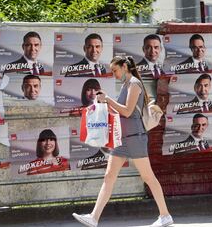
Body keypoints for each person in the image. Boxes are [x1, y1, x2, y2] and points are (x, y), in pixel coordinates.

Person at [72, 56, 173, 227]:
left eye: (115, 70)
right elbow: (118, 112)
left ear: (124, 67)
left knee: (148, 177)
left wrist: (109, 99)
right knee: (109, 176)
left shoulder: (134, 84)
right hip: (122, 139)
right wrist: (104, 101)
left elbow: (127, 111)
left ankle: (165, 215)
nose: (114, 74)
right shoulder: (126, 85)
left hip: (135, 138)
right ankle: (93, 218)